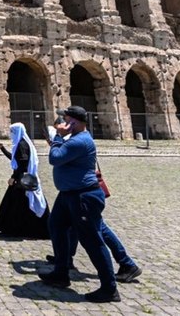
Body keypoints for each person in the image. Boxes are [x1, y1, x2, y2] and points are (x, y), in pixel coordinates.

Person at [39, 106, 120, 303]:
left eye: (66, 119)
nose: (62, 123)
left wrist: (58, 137)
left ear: (74, 122)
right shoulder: (75, 139)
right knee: (56, 226)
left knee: (92, 240)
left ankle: (109, 288)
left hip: (83, 196)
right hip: (68, 194)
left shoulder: (81, 140)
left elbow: (55, 158)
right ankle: (61, 272)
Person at [0, 122, 50, 238]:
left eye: (12, 132)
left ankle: (19, 228)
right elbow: (15, 159)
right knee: (19, 204)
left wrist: (13, 178)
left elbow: (22, 164)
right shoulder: (21, 144)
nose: (10, 134)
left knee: (16, 203)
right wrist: (2, 148)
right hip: (21, 179)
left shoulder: (22, 145)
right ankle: (18, 227)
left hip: (22, 180)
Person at [47, 223, 143, 283]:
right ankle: (66, 258)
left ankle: (127, 264)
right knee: (74, 223)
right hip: (82, 192)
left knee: (98, 226)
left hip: (86, 193)